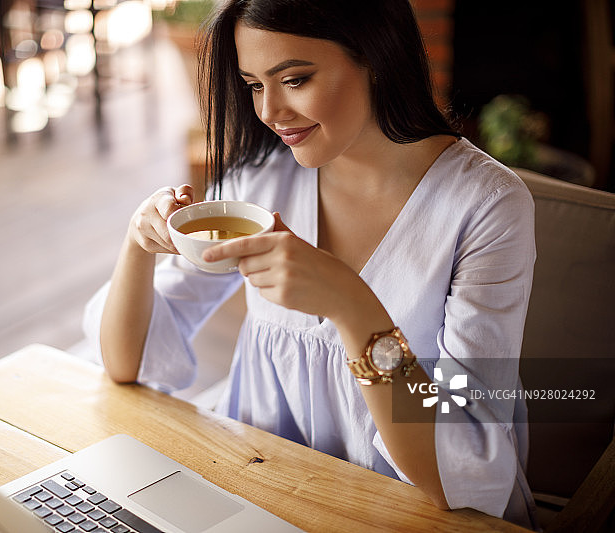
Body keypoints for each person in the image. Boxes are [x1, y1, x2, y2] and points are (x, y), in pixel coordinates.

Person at [83, 0, 538, 528]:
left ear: (376, 57)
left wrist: (352, 306)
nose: (268, 111)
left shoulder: (486, 205)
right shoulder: (262, 181)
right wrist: (139, 244)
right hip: (263, 495)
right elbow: (125, 365)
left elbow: (457, 474)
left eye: (294, 79)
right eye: (254, 84)